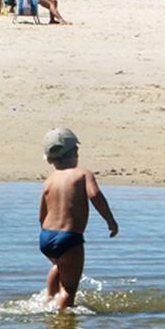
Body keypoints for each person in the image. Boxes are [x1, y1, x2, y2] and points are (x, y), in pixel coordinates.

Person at [38, 128, 119, 309]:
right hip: (69, 237)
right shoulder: (83, 174)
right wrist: (110, 220)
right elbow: (95, 195)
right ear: (75, 151)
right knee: (69, 289)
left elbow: (42, 213)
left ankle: (48, 299)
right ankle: (61, 320)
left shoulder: (49, 181)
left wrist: (47, 234)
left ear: (50, 159)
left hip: (46, 236)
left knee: (59, 265)